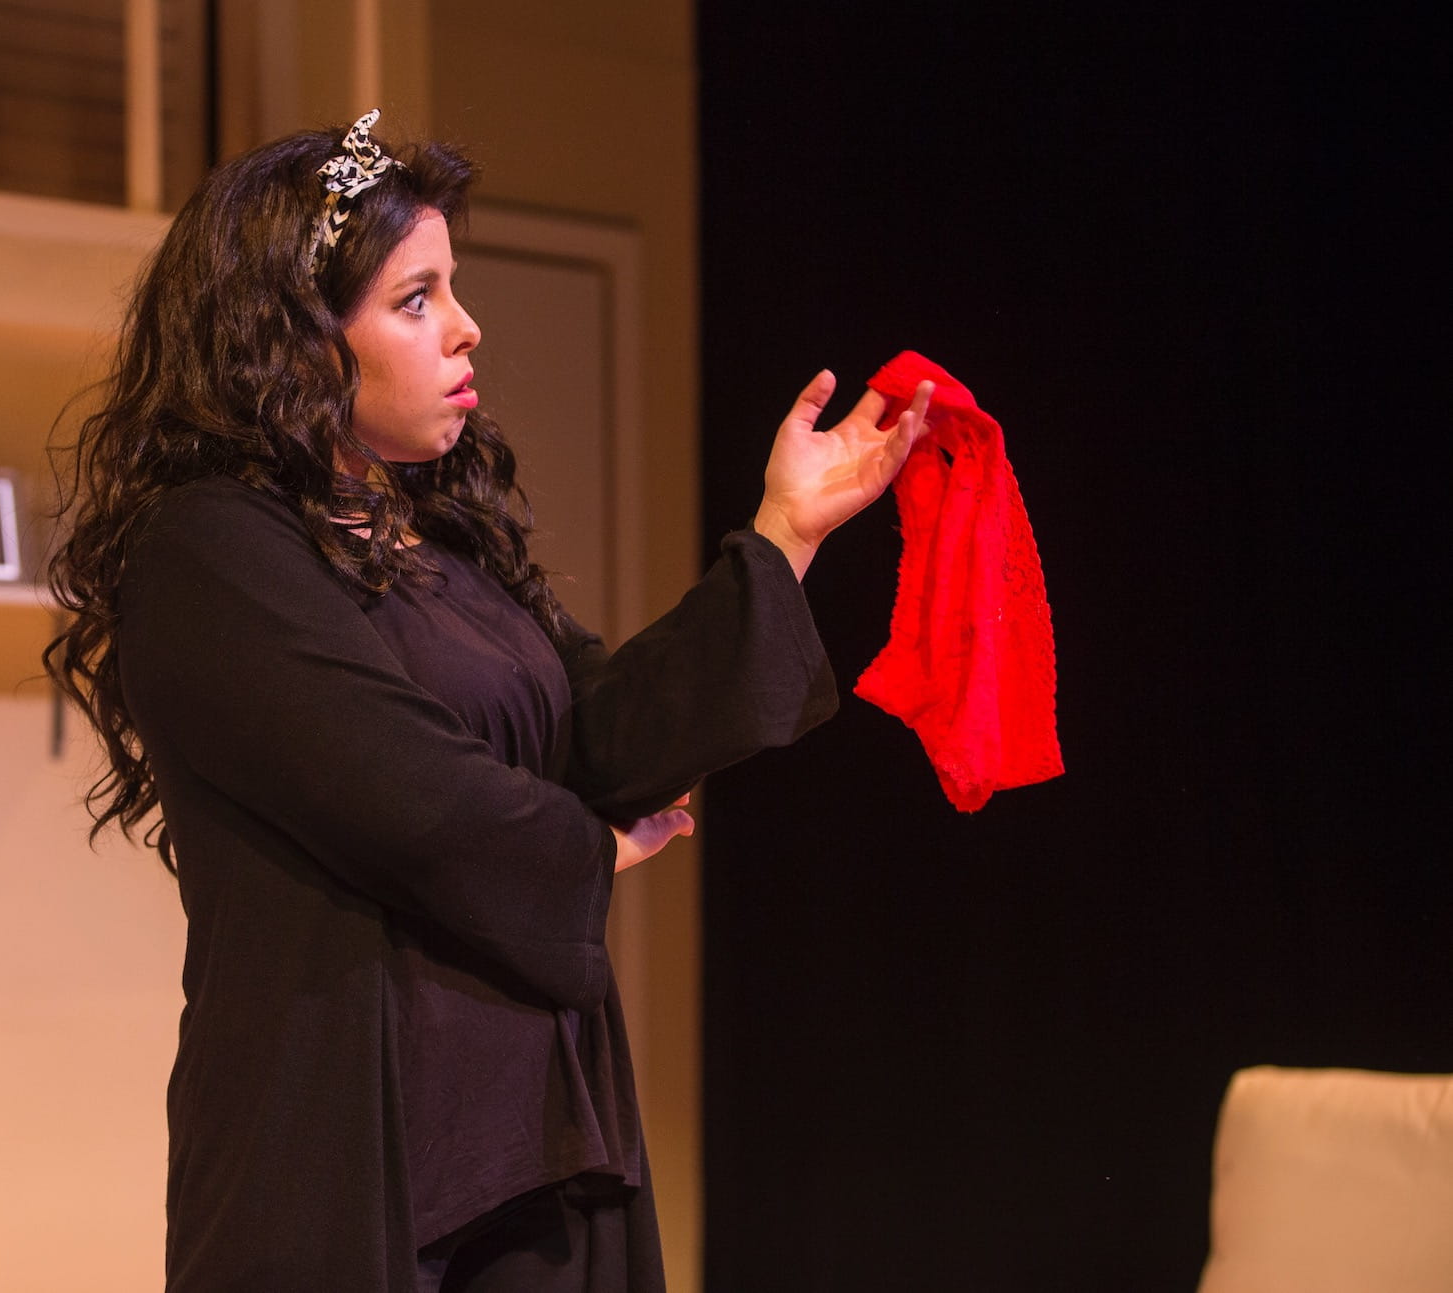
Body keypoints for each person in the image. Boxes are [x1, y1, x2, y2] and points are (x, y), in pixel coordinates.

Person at [45, 111, 931, 1293]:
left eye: (448, 290)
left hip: (537, 1147)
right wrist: (589, 851)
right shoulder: (208, 549)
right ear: (300, 340)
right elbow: (400, 789)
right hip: (353, 1163)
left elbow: (601, 732)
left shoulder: (439, 543)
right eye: (415, 299)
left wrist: (783, 537)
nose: (465, 328)